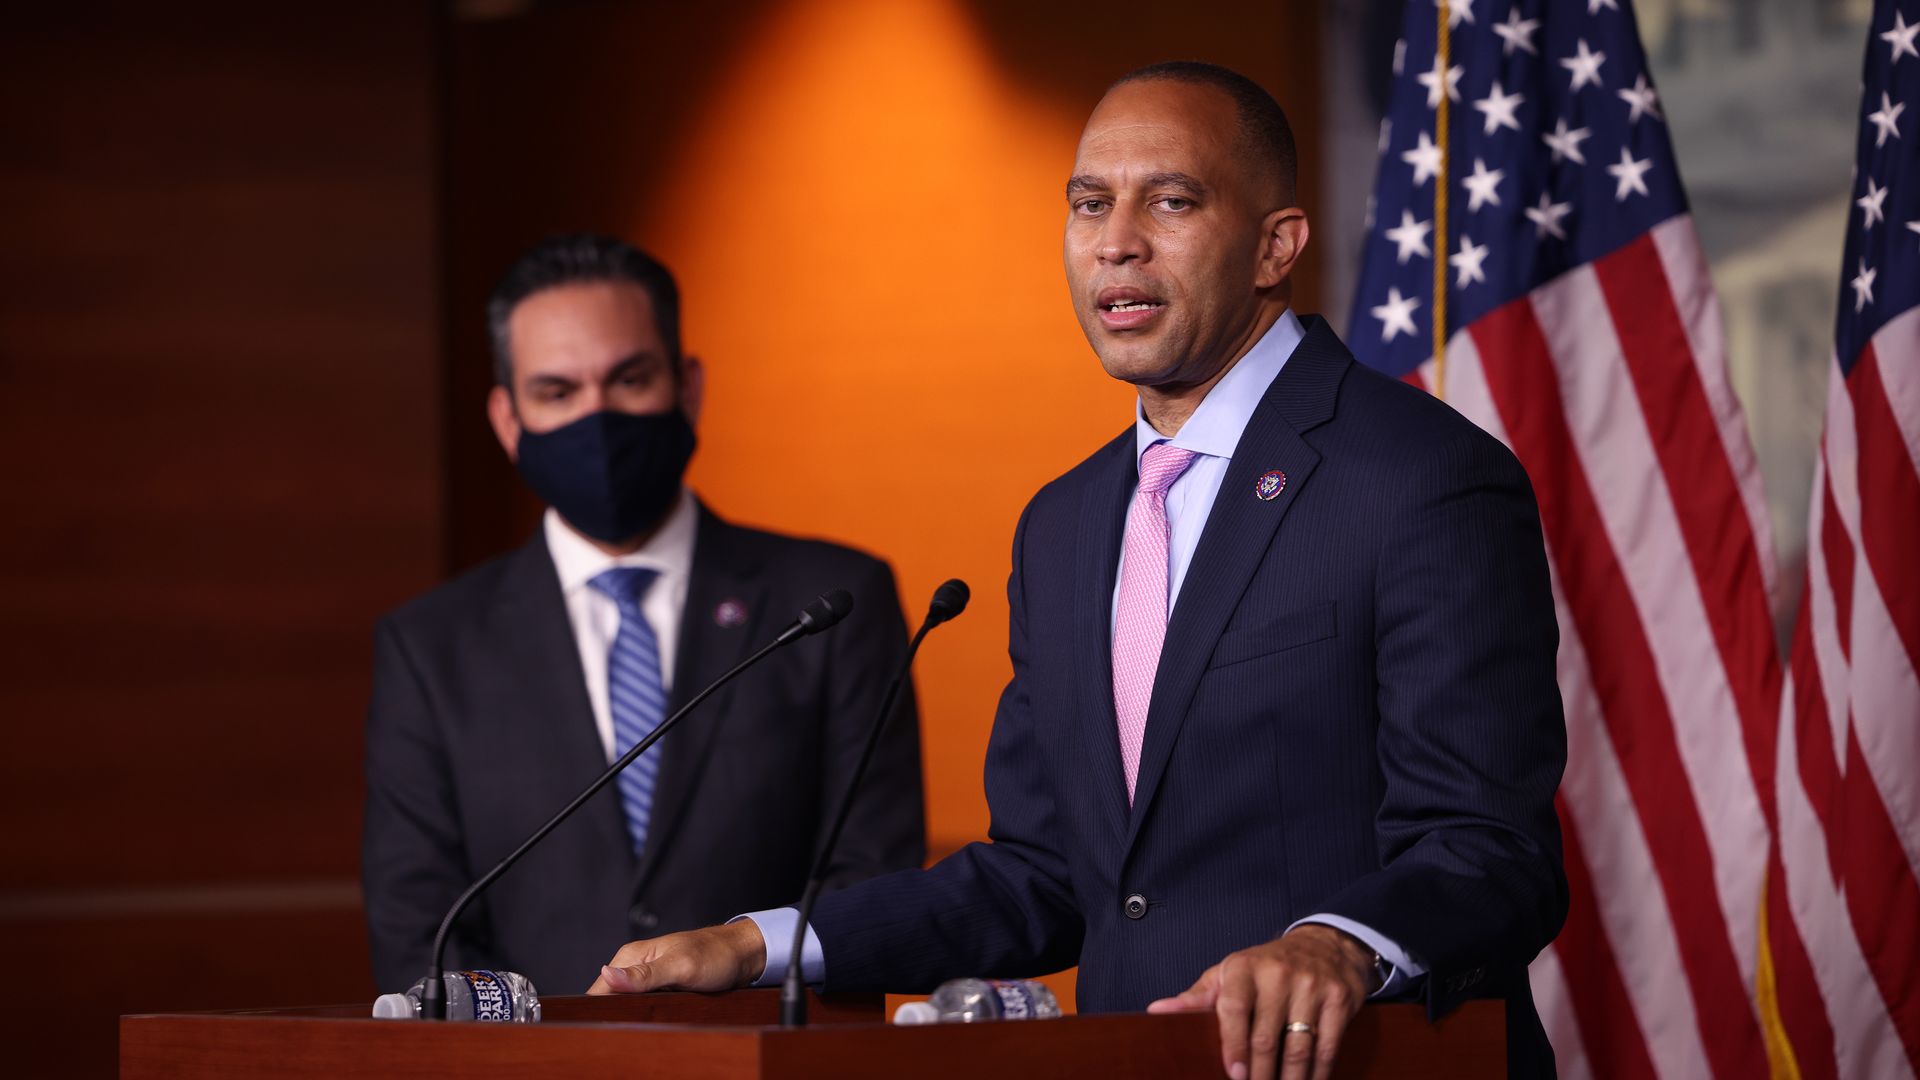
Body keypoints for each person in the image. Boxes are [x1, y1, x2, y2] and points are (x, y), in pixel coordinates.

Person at [589, 62, 1568, 1080]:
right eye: (1090, 204)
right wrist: (762, 944)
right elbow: (1044, 876)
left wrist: (1337, 945)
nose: (1117, 241)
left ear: (1277, 245)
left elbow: (1491, 851)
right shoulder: (1062, 524)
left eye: (1172, 201)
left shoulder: (1421, 477)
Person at [361, 234, 927, 996]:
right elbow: (417, 928)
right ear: (507, 419)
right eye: (557, 393)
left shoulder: (830, 603)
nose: (596, 419)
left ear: (686, 389)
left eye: (629, 379)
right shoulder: (430, 647)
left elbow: (871, 885)